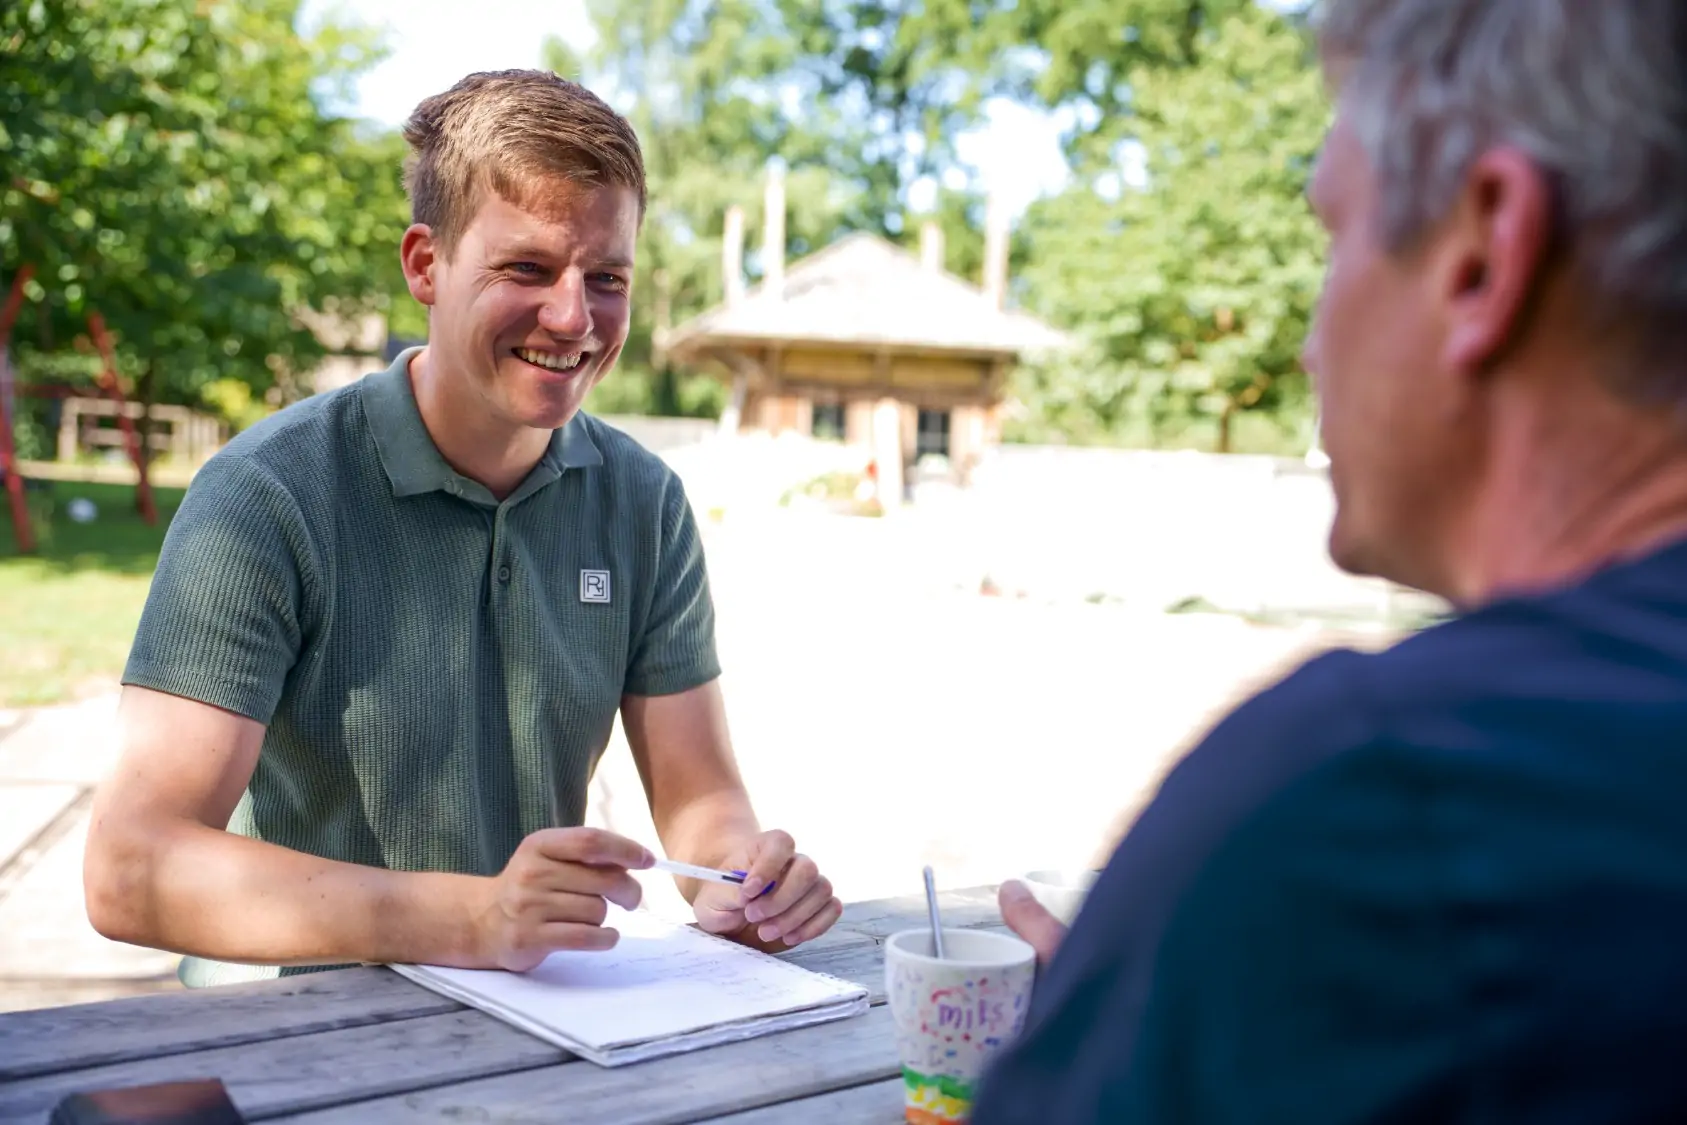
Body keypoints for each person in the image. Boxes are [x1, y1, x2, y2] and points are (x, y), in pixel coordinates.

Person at [974, 0, 1687, 1120]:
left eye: (1334, 235)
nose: (1309, 339)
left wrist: (1153, 1025)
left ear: (1479, 254)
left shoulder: (1375, 802)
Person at [82, 70, 841, 986]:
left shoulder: (644, 503)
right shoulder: (264, 496)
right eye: (526, 268)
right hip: (293, 1024)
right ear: (424, 266)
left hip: (543, 1011)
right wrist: (475, 916)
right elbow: (130, 869)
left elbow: (701, 795)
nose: (573, 316)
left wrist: (740, 879)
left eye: (606, 277)